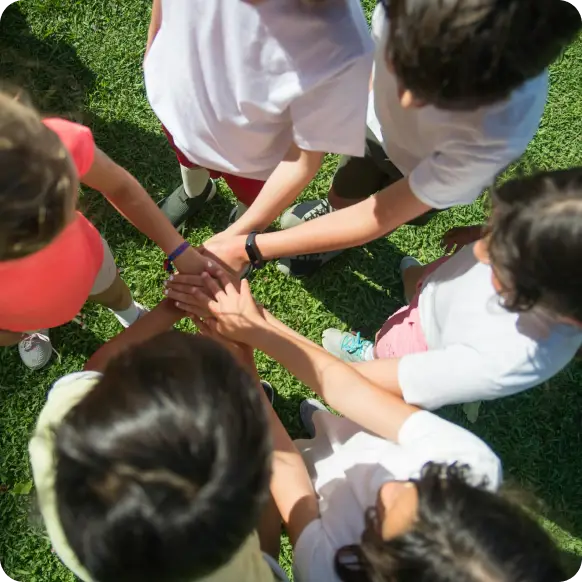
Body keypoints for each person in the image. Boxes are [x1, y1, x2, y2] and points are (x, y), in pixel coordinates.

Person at [164, 266, 569, 582]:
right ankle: (318, 426)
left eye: (376, 517)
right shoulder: (470, 465)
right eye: (424, 482)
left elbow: (290, 478)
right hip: (352, 434)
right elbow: (350, 391)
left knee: (304, 454)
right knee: (329, 428)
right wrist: (257, 327)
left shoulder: (327, 572)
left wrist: (240, 363)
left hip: (311, 478)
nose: (390, 487)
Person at [198, 0, 582, 276]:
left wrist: (249, 247)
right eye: (403, 63)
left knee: (376, 213)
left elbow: (379, 216)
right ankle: (331, 217)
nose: (406, 100)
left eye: (442, 97)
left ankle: (332, 243)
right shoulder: (412, 11)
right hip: (372, 133)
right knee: (343, 191)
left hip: (421, 172)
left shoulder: (497, 135)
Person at [28, 299, 289, 582]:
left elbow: (93, 370)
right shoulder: (244, 576)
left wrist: (172, 308)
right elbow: (266, 548)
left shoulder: (63, 425)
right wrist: (249, 381)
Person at [315, 168, 582, 413]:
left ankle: (370, 356)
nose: (479, 250)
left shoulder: (510, 357)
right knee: (428, 280)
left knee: (388, 346)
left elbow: (405, 379)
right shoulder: (552, 249)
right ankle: (415, 285)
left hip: (423, 340)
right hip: (444, 287)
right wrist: (480, 232)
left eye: (501, 257)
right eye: (497, 231)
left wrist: (329, 374)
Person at [0, 90, 208, 370]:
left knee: (114, 292)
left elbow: (120, 186)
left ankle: (130, 314)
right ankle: (34, 326)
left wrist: (179, 250)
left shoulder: (46, 144)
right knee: (32, 314)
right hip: (18, 309)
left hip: (87, 261)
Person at [144, 0, 374, 231]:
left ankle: (241, 224)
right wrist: (153, 46)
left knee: (251, 198)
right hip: (180, 113)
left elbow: (304, 161)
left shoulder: (343, 46)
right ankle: (195, 192)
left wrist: (237, 236)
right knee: (188, 159)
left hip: (252, 158)